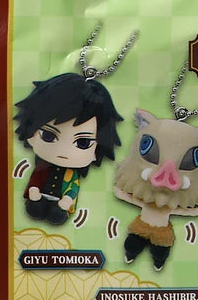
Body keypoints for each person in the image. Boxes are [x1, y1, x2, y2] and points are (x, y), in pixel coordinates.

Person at [14, 72, 123, 225]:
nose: (63, 151)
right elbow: (35, 180)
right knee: (35, 208)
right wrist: (33, 190)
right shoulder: (41, 167)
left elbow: (73, 189)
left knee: (57, 215)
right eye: (48, 135)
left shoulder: (72, 175)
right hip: (41, 196)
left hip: (60, 202)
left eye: (83, 143)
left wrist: (67, 199)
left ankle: (57, 211)